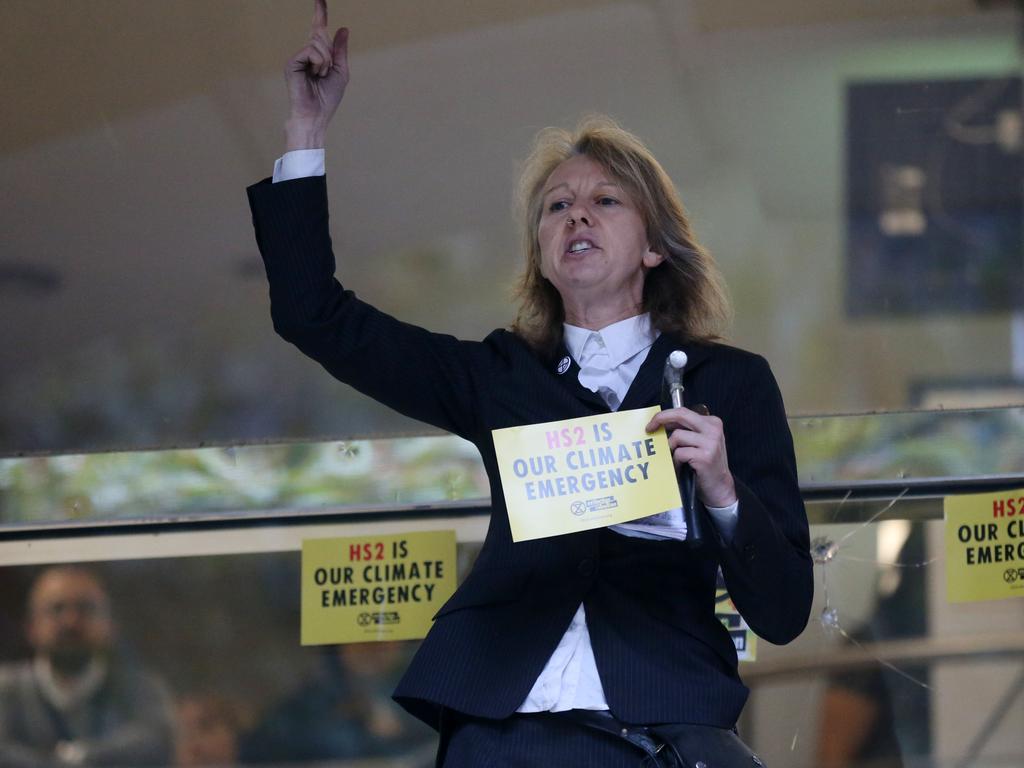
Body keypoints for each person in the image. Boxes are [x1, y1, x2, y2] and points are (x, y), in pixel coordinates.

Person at [247, 2, 813, 764]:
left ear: (653, 247)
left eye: (605, 201)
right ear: (543, 255)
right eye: (556, 208)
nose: (576, 214)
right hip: (502, 728)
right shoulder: (501, 377)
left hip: (657, 730)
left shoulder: (732, 383)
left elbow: (783, 612)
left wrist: (721, 489)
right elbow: (314, 316)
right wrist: (305, 133)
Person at [0, 566, 175, 767]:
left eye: (85, 608)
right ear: (31, 627)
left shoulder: (140, 688)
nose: (70, 621)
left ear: (109, 625)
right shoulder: (5, 690)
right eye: (56, 609)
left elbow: (157, 743)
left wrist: (81, 757)